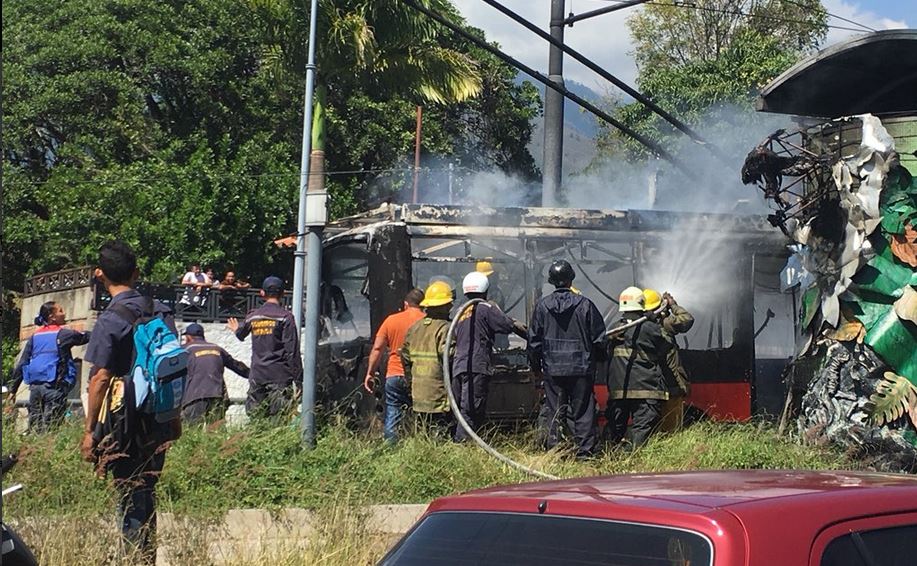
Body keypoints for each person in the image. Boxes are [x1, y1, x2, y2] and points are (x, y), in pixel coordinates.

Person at [81, 240, 181, 562]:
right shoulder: (159, 311)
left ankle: (134, 557)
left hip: (125, 422)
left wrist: (90, 431)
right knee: (146, 490)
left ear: (100, 275)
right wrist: (173, 415)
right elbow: (173, 367)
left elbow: (99, 379)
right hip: (159, 418)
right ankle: (145, 555)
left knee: (129, 490)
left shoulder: (110, 319)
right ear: (136, 273)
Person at [528, 260, 606, 458]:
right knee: (583, 412)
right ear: (571, 279)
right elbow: (599, 339)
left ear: (551, 281)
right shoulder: (585, 305)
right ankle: (585, 455)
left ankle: (555, 453)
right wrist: (599, 361)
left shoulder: (542, 307)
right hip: (581, 368)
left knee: (555, 412)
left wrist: (536, 367)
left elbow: (534, 341)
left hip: (553, 369)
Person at [451, 272, 526, 442]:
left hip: (458, 366)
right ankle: (463, 447)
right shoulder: (486, 308)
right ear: (485, 289)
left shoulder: (459, 311)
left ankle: (461, 443)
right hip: (476, 365)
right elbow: (506, 325)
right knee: (471, 409)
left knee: (461, 407)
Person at [7, 301, 91, 432]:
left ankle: (34, 450)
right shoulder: (64, 334)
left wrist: (13, 390)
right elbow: (85, 337)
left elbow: (22, 363)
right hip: (54, 388)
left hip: (35, 389)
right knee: (52, 427)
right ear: (52, 316)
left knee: (36, 426)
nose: (64, 314)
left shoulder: (35, 337)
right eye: (61, 311)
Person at [606, 286, 671, 450]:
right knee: (642, 429)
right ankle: (636, 461)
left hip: (619, 390)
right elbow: (667, 344)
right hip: (646, 388)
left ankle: (612, 460)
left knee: (615, 430)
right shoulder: (650, 328)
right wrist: (655, 320)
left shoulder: (613, 329)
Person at [227, 276, 302, 418]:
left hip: (257, 376)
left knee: (256, 418)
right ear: (283, 294)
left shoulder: (253, 316)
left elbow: (241, 335)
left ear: (262, 293)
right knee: (278, 419)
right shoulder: (286, 317)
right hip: (279, 376)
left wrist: (236, 329)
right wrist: (298, 379)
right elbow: (292, 351)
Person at [363, 288, 426, 443]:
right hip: (420, 376)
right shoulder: (426, 321)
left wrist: (370, 373)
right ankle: (419, 445)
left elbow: (377, 349)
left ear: (405, 304)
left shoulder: (391, 320)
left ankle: (390, 448)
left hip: (394, 374)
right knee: (422, 415)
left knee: (393, 411)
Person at [400, 281, 454, 435]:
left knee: (423, 432)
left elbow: (405, 358)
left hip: (419, 396)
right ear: (442, 306)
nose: (451, 307)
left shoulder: (414, 328)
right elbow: (450, 358)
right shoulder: (445, 329)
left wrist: (411, 383)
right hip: (440, 397)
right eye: (448, 304)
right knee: (441, 435)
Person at [643, 289, 694, 433]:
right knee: (672, 429)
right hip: (671, 384)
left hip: (649, 385)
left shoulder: (638, 327)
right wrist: (673, 305)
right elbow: (687, 319)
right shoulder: (665, 324)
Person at [181, 323, 249, 424]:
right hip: (217, 396)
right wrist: (254, 375)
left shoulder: (184, 350)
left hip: (195, 397)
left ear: (188, 337)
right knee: (215, 431)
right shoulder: (217, 349)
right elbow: (237, 366)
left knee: (192, 431)